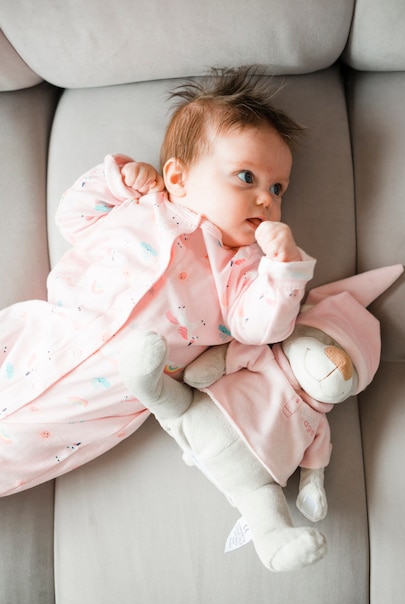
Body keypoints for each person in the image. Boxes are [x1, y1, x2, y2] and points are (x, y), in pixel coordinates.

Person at [0, 66, 315, 496]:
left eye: (279, 188)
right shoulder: (142, 206)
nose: (267, 198)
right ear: (178, 177)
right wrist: (116, 182)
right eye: (247, 177)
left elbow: (259, 328)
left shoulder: (243, 269)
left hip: (94, 407)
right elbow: (72, 217)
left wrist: (282, 271)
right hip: (41, 335)